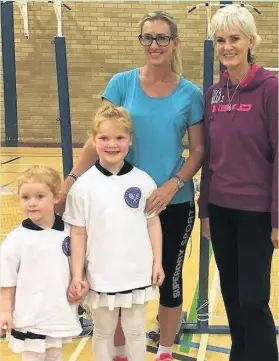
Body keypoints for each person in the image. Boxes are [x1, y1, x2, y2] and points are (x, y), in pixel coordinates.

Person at [58, 10, 204, 361]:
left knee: (168, 277)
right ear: (141, 42)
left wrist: (174, 184)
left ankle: (165, 349)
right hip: (119, 205)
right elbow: (99, 138)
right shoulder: (121, 84)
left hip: (172, 204)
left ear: (174, 42)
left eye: (162, 38)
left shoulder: (190, 94)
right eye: (147, 38)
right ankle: (121, 351)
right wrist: (72, 179)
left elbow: (199, 150)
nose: (154, 45)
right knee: (118, 276)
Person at [198, 5, 278, 361]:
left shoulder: (270, 89)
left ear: (250, 41)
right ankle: (240, 353)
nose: (227, 46)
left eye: (234, 38)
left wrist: (277, 218)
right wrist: (205, 212)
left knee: (253, 298)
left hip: (257, 213)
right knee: (231, 293)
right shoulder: (214, 93)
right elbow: (210, 157)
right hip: (221, 210)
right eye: (220, 41)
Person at [63, 105, 165, 361]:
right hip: (100, 274)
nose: (112, 144)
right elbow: (78, 233)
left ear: (129, 140)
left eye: (119, 137)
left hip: (137, 272)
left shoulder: (143, 181)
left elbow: (153, 224)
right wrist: (77, 274)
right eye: (104, 138)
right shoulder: (83, 187)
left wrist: (157, 262)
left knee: (135, 330)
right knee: (103, 331)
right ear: (94, 141)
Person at [0, 165, 82, 361]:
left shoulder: (69, 231)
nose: (32, 203)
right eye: (25, 197)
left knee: (55, 355)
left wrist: (79, 283)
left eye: (39, 196)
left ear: (56, 197)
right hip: (30, 315)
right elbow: (7, 280)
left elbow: (77, 265)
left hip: (57, 312)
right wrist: (5, 311)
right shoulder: (16, 240)